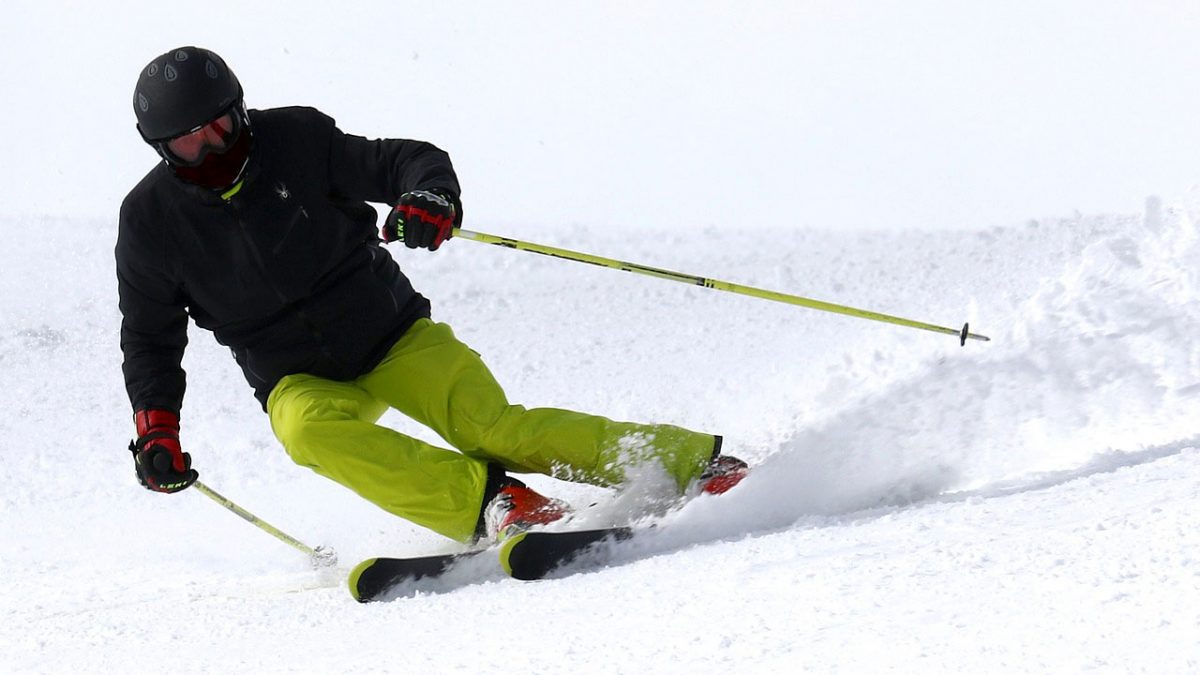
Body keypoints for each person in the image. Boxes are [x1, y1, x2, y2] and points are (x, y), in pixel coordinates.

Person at [118, 46, 747, 545]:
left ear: (240, 109)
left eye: (220, 126)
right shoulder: (150, 221)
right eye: (188, 141)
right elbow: (149, 336)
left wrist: (429, 197)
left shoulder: (297, 140)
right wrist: (157, 430)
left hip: (390, 335)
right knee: (306, 432)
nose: (211, 147)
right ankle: (495, 503)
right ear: (162, 148)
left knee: (496, 430)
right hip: (295, 375)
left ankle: (687, 463)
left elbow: (406, 161)